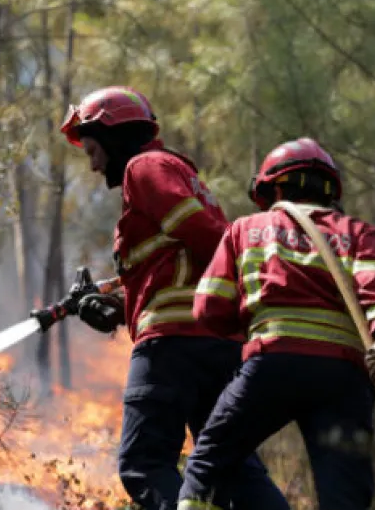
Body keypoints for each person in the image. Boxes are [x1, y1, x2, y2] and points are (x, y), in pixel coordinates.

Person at [59, 86, 289, 510]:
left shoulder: (145, 167)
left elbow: (203, 238)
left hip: (172, 346)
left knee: (144, 463)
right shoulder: (177, 177)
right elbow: (174, 273)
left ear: (114, 136)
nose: (92, 165)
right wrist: (114, 309)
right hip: (216, 345)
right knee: (231, 466)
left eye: (92, 150)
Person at [175, 138, 375, 510]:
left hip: (272, 365)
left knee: (208, 465)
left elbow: (208, 307)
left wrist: (250, 325)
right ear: (330, 190)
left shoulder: (244, 229)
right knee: (345, 495)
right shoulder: (357, 232)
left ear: (275, 187)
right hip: (343, 377)